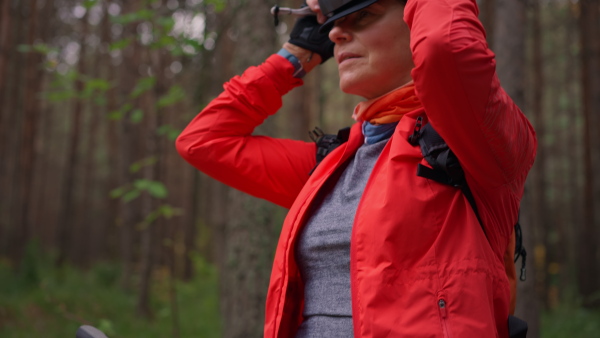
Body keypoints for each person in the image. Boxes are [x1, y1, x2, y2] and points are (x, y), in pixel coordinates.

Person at [176, 0, 537, 336]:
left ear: (416, 20)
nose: (335, 33)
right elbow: (203, 141)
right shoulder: (331, 166)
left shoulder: (477, 149)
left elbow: (444, 48)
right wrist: (297, 54)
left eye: (364, 16)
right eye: (333, 23)